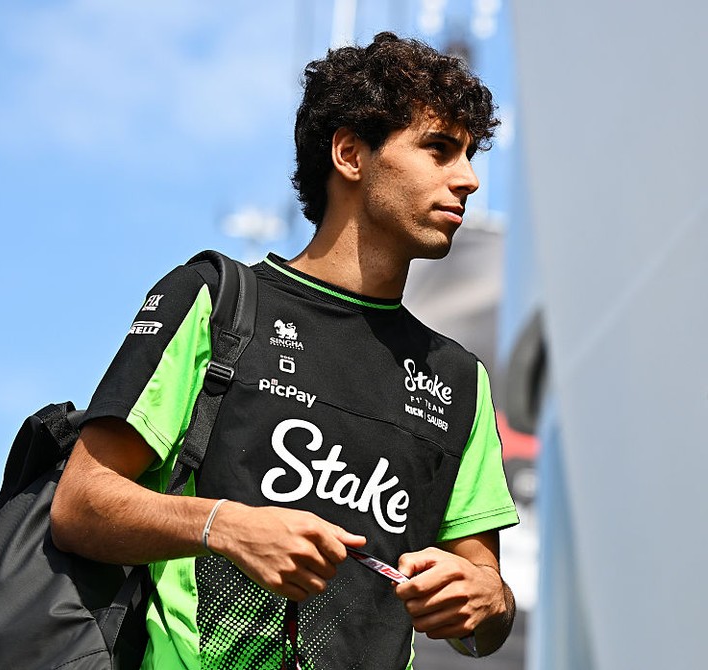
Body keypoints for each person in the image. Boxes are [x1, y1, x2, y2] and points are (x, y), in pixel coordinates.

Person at [52, 31, 518, 670]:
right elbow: (80, 506)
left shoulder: (460, 379)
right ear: (350, 154)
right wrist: (226, 526)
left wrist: (489, 599)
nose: (466, 179)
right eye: (438, 150)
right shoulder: (215, 301)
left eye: (469, 156)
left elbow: (481, 611)